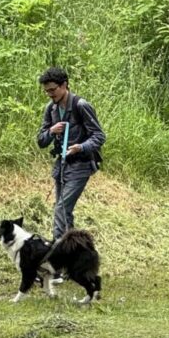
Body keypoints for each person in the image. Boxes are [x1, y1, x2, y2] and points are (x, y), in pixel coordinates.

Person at [36, 67, 106, 241]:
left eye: (53, 90)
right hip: (61, 166)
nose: (50, 94)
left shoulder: (81, 105)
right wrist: (51, 131)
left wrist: (80, 147)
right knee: (64, 211)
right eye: (47, 91)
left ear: (64, 85)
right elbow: (41, 141)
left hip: (81, 166)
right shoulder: (51, 109)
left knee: (61, 208)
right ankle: (72, 249)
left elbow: (99, 136)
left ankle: (58, 249)